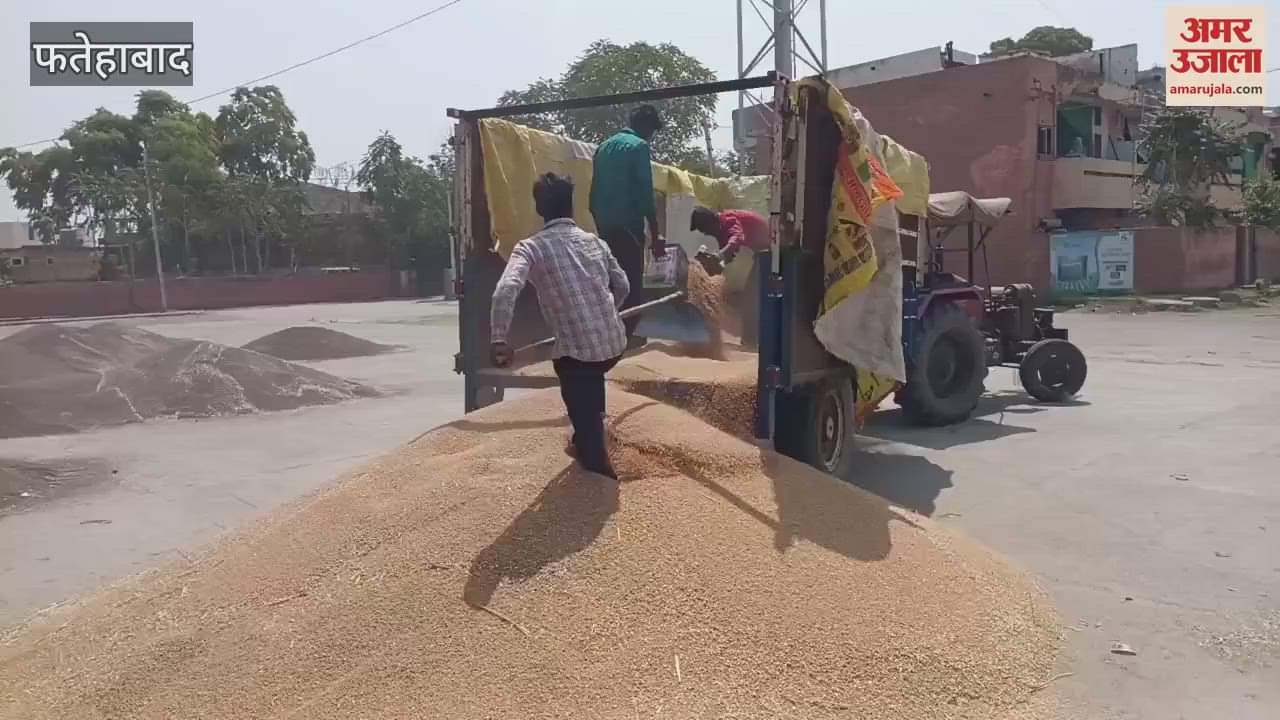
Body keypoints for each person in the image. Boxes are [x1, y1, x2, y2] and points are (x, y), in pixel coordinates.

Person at [490, 173, 629, 480]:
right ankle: (592, 427)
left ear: (539, 208)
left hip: (579, 356)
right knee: (589, 371)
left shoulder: (530, 248)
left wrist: (499, 338)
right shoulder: (595, 241)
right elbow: (623, 284)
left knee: (572, 367)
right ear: (571, 206)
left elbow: (505, 290)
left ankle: (597, 473)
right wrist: (607, 314)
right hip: (614, 345)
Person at [589, 104, 666, 345]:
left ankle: (606, 335)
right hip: (628, 229)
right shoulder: (639, 147)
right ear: (645, 126)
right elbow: (645, 195)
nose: (651, 136)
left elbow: (593, 195)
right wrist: (656, 235)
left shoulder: (603, 147)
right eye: (652, 131)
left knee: (609, 284)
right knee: (630, 284)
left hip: (604, 229)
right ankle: (629, 340)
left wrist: (601, 225)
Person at [690, 206, 770, 347]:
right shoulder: (720, 232)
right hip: (763, 254)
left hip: (770, 252)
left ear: (712, 222)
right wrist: (711, 268)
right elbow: (729, 256)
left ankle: (751, 343)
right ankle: (751, 341)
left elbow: (736, 239)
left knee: (751, 299)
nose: (707, 234)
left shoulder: (728, 220)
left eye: (705, 230)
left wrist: (718, 256)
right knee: (752, 298)